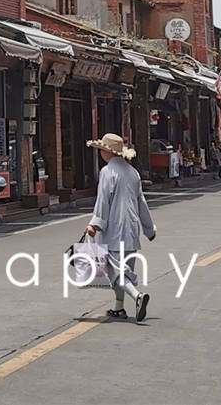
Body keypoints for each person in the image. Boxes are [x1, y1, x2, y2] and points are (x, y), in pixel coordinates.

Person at [84, 134, 156, 322]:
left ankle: (137, 296)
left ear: (107, 152)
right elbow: (142, 203)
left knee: (115, 271)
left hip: (114, 231)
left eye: (101, 150)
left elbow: (103, 201)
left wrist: (95, 224)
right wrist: (149, 229)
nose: (100, 153)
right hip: (131, 230)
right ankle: (119, 306)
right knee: (123, 269)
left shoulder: (108, 172)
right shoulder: (133, 172)